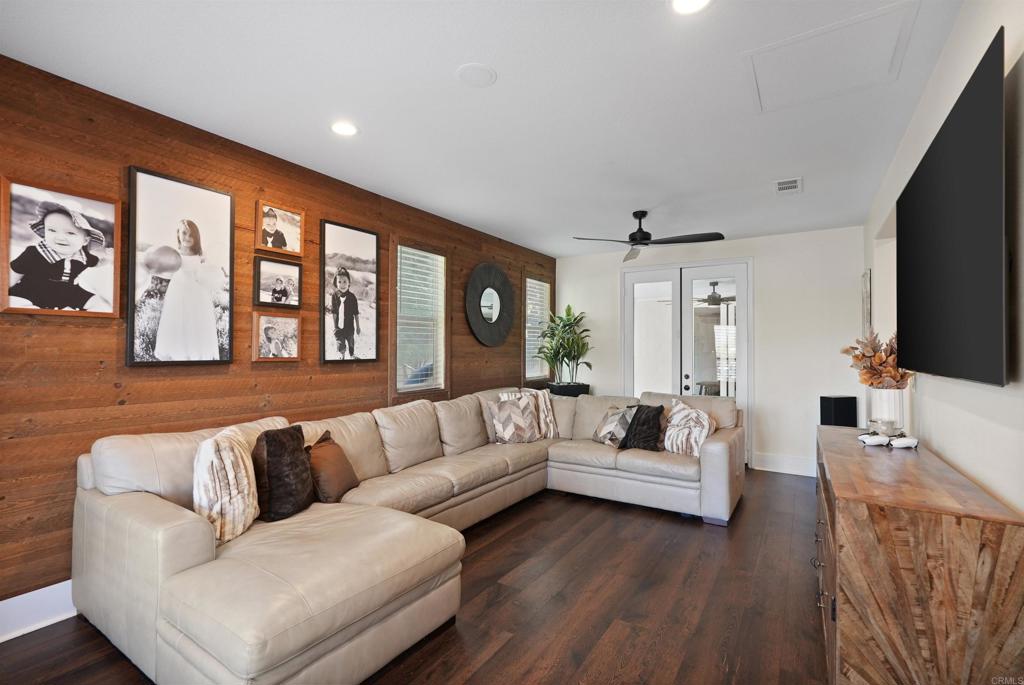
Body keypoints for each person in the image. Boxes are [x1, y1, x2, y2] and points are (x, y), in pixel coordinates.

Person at [8, 201, 110, 311]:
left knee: (97, 303)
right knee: (17, 303)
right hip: (33, 289)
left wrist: (108, 259)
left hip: (69, 291)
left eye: (70, 233)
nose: (60, 237)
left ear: (85, 241)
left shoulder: (83, 256)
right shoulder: (34, 253)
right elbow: (14, 273)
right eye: (52, 230)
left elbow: (97, 262)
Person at [153, 219, 222, 361]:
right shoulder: (174, 255)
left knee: (195, 322)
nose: (188, 238)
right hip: (178, 292)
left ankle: (195, 355)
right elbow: (164, 270)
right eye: (184, 233)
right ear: (178, 233)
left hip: (198, 295)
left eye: (192, 235)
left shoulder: (201, 257)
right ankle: (179, 355)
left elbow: (211, 275)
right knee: (178, 320)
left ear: (197, 238)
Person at [330, 267, 360, 359]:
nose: (342, 284)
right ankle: (342, 356)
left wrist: (358, 326)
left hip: (349, 326)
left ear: (349, 283)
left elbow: (356, 313)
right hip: (338, 326)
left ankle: (352, 355)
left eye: (344, 282)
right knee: (340, 343)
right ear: (336, 283)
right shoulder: (334, 296)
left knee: (351, 341)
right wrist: (335, 325)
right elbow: (334, 312)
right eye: (339, 282)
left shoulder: (352, 297)